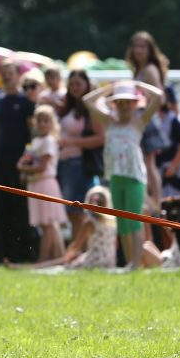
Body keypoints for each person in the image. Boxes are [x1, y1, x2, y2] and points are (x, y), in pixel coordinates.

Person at [84, 80, 164, 269]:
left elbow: (158, 97)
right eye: (119, 103)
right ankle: (130, 262)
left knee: (135, 220)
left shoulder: (139, 122)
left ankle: (136, 263)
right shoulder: (109, 121)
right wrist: (109, 89)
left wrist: (137, 84)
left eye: (128, 102)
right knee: (122, 222)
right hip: (115, 176)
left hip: (134, 177)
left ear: (134, 104)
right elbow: (87, 101)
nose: (124, 107)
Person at [0, 57, 37, 263]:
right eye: (4, 71)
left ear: (18, 75)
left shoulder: (26, 102)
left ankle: (20, 253)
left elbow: (31, 132)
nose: (7, 75)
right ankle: (0, 253)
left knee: (19, 207)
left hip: (20, 161)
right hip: (2, 161)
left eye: (11, 71)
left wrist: (29, 160)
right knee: (1, 207)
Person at [5, 185, 118, 270]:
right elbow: (115, 245)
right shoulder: (112, 222)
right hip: (109, 261)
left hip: (95, 262)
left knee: (61, 261)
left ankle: (26, 267)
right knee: (70, 259)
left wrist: (68, 255)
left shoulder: (90, 223)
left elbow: (76, 246)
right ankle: (24, 267)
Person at [57, 70, 105, 241]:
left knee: (79, 212)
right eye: (71, 84)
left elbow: (101, 138)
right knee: (71, 212)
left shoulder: (92, 108)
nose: (74, 88)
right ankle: (77, 251)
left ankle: (82, 251)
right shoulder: (67, 106)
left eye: (78, 84)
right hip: (65, 164)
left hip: (80, 165)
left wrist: (72, 142)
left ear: (87, 85)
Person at [125, 31, 169, 213]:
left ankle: (156, 202)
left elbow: (161, 98)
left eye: (142, 46)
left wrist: (146, 104)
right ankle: (150, 201)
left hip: (147, 120)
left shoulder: (150, 70)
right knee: (145, 162)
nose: (138, 50)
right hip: (141, 119)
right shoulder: (139, 70)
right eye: (136, 46)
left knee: (149, 164)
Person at [16, 105, 66, 262]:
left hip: (45, 183)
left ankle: (43, 260)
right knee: (47, 225)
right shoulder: (35, 141)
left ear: (52, 123)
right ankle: (56, 257)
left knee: (48, 224)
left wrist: (22, 167)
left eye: (46, 120)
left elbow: (42, 166)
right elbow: (28, 159)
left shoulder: (49, 141)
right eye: (39, 120)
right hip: (35, 184)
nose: (43, 124)